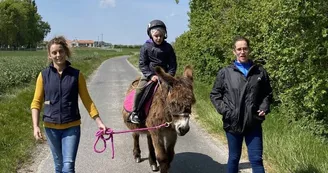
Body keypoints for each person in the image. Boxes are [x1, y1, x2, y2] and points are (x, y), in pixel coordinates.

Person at [31, 36, 107, 173]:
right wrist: (35, 126)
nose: (58, 55)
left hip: (71, 127)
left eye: (61, 51)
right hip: (51, 128)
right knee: (58, 166)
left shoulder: (76, 75)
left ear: (66, 52)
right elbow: (36, 103)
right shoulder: (43, 76)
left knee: (68, 166)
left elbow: (87, 101)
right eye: (54, 52)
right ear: (49, 55)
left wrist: (99, 122)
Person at [210, 36, 273, 173]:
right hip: (233, 123)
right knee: (234, 158)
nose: (242, 52)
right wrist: (226, 111)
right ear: (234, 51)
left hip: (253, 123)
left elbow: (267, 94)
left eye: (245, 48)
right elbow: (215, 94)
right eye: (239, 49)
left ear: (249, 50)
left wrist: (264, 107)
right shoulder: (225, 73)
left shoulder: (259, 72)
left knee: (256, 159)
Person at [129, 19, 177, 124]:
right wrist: (150, 76)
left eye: (161, 35)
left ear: (164, 35)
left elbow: (173, 64)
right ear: (151, 35)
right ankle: (135, 112)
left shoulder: (168, 48)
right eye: (156, 36)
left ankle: (177, 114)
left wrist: (168, 76)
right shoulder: (146, 47)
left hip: (165, 76)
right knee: (140, 90)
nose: (159, 38)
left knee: (178, 91)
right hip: (149, 75)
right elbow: (142, 64)